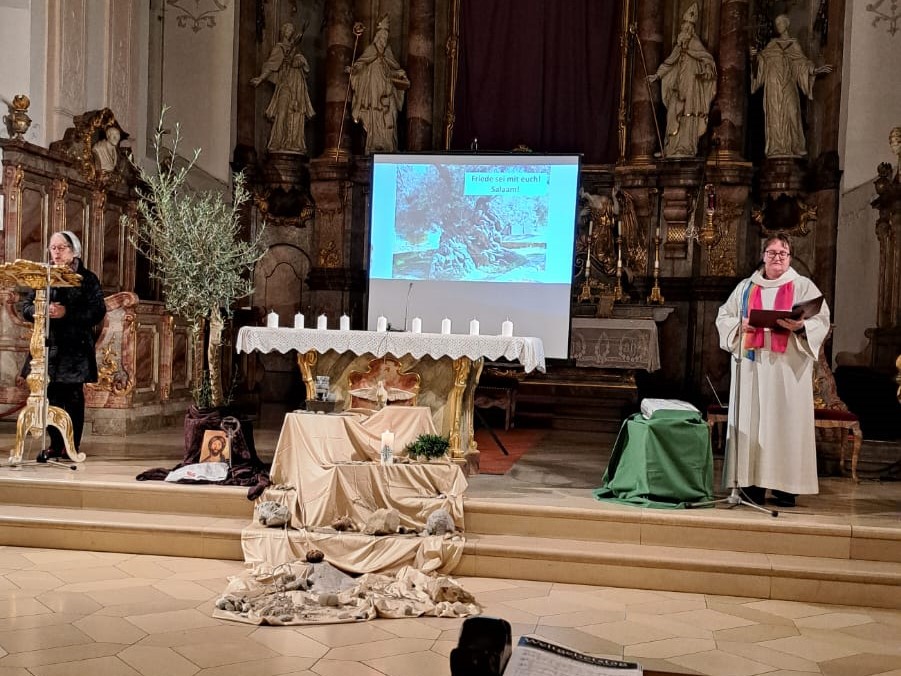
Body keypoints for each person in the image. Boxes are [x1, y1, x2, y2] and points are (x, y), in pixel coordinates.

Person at [715, 234, 830, 507]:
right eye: (772, 252)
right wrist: (738, 325)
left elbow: (822, 319)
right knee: (752, 422)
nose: (777, 257)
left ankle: (785, 487)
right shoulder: (745, 288)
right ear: (763, 255)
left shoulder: (802, 286)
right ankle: (750, 484)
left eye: (783, 253)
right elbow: (724, 316)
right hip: (753, 367)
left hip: (787, 370)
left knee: (783, 424)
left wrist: (801, 327)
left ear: (790, 257)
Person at [21, 231, 107, 462]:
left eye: (61, 248)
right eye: (53, 248)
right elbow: (26, 306)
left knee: (72, 398)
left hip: (74, 349)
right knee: (50, 396)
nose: (56, 252)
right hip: (47, 347)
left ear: (74, 250)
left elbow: (97, 311)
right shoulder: (43, 275)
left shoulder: (87, 278)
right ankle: (54, 444)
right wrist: (40, 310)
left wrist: (66, 312)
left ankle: (71, 445)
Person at [751, 14, 832, 158]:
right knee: (775, 114)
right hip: (773, 85)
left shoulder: (794, 44)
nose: (779, 25)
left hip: (788, 83)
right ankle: (777, 147)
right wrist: (753, 57)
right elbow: (760, 64)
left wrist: (815, 70)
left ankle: (794, 146)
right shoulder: (771, 45)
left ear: (787, 24)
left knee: (793, 112)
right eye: (777, 23)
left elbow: (802, 64)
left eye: (781, 22)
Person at [647, 3, 717, 158]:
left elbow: (707, 60)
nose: (683, 30)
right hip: (679, 85)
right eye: (682, 27)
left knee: (688, 113)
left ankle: (686, 148)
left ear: (691, 30)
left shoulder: (695, 44)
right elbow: (669, 62)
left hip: (692, 86)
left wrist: (706, 70)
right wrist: (657, 75)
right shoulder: (679, 47)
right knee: (673, 110)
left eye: (686, 28)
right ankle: (671, 147)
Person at [348, 15, 410, 153]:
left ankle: (389, 145)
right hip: (373, 91)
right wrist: (354, 70)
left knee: (391, 114)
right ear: (377, 37)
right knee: (374, 116)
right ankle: (375, 144)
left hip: (388, 91)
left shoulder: (388, 53)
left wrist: (400, 74)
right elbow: (360, 64)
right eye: (382, 37)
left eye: (385, 38)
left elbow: (393, 70)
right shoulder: (371, 50)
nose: (383, 41)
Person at [251, 22, 315, 153]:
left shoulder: (296, 51)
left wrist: (300, 61)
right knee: (282, 113)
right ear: (283, 31)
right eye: (288, 29)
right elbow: (271, 65)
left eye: (292, 29)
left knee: (297, 114)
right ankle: (277, 142)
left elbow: (306, 68)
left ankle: (294, 142)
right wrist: (261, 78)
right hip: (285, 84)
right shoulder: (279, 48)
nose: (290, 31)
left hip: (297, 86)